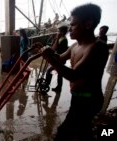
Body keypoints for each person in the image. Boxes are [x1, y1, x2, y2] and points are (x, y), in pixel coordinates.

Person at [41, 3, 108, 140]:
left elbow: (74, 75)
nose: (69, 28)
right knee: (82, 129)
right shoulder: (74, 46)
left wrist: (50, 60)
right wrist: (48, 52)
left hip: (89, 99)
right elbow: (59, 58)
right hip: (78, 96)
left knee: (64, 132)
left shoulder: (97, 47)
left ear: (88, 24)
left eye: (73, 25)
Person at [45, 26, 68, 93]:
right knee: (59, 74)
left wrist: (57, 39)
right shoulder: (61, 38)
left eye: (59, 31)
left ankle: (47, 84)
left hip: (60, 59)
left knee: (49, 70)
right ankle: (58, 87)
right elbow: (53, 47)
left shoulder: (64, 40)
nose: (58, 32)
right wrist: (55, 39)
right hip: (58, 59)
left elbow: (56, 48)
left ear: (62, 32)